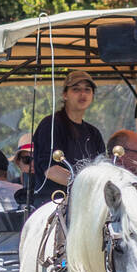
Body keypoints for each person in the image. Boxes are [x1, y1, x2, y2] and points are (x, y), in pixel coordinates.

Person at [26, 70, 106, 203]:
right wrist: (86, 184)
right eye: (76, 89)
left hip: (87, 203)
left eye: (87, 89)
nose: (82, 94)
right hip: (53, 203)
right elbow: (51, 171)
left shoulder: (94, 133)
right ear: (65, 95)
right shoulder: (51, 125)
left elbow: (102, 169)